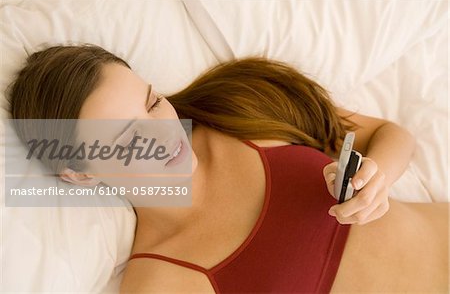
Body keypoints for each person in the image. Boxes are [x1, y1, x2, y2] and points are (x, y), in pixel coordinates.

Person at [7, 44, 448, 293]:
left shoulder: (236, 103)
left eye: (152, 102)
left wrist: (376, 176)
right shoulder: (161, 282)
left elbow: (390, 133)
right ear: (80, 172)